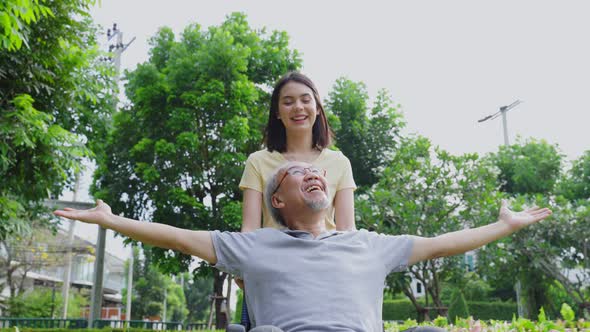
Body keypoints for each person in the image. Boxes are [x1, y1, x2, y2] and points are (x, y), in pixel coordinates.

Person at [53, 161, 552, 332]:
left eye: (317, 173)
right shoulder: (253, 246)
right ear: (277, 199)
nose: (312, 175)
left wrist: (503, 225)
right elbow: (176, 237)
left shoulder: (369, 245)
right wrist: (112, 220)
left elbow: (444, 244)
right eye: (298, 175)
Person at [240, 72, 356, 233]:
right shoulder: (257, 161)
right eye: (288, 102)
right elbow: (249, 230)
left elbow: (348, 229)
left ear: (317, 108)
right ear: (277, 113)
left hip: (325, 254)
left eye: (306, 100)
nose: (298, 107)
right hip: (275, 255)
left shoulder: (340, 162)